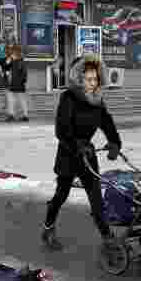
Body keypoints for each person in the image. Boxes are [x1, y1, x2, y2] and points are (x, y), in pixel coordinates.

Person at [41, 55, 122, 252]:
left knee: (96, 197)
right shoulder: (68, 98)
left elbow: (107, 122)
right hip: (69, 153)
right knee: (61, 194)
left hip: (88, 154)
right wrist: (77, 146)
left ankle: (107, 237)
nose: (92, 83)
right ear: (79, 79)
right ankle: (48, 228)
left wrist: (114, 142)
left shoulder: (97, 100)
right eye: (88, 79)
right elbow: (61, 130)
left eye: (95, 79)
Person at [6, 45, 29, 122]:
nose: (12, 53)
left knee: (13, 99)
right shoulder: (19, 61)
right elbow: (6, 67)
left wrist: (22, 81)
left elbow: (24, 74)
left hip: (15, 84)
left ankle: (12, 114)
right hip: (18, 84)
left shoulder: (18, 61)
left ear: (15, 52)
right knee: (20, 100)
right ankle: (24, 115)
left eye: (13, 51)